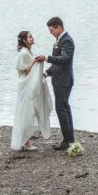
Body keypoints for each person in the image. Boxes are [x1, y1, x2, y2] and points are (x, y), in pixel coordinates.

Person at [35, 16, 75, 150]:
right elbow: (58, 63)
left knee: (61, 109)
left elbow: (64, 59)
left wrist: (46, 58)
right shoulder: (59, 41)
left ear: (59, 27)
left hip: (64, 81)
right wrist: (46, 73)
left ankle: (67, 141)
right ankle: (70, 139)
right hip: (59, 79)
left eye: (52, 30)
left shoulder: (66, 41)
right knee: (64, 108)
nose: (51, 33)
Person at [12, 31, 53, 151]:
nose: (32, 38)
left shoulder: (28, 52)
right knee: (26, 111)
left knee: (29, 111)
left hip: (29, 85)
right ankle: (25, 141)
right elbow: (26, 72)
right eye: (30, 37)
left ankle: (25, 140)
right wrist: (36, 61)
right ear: (24, 40)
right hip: (25, 87)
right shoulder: (23, 53)